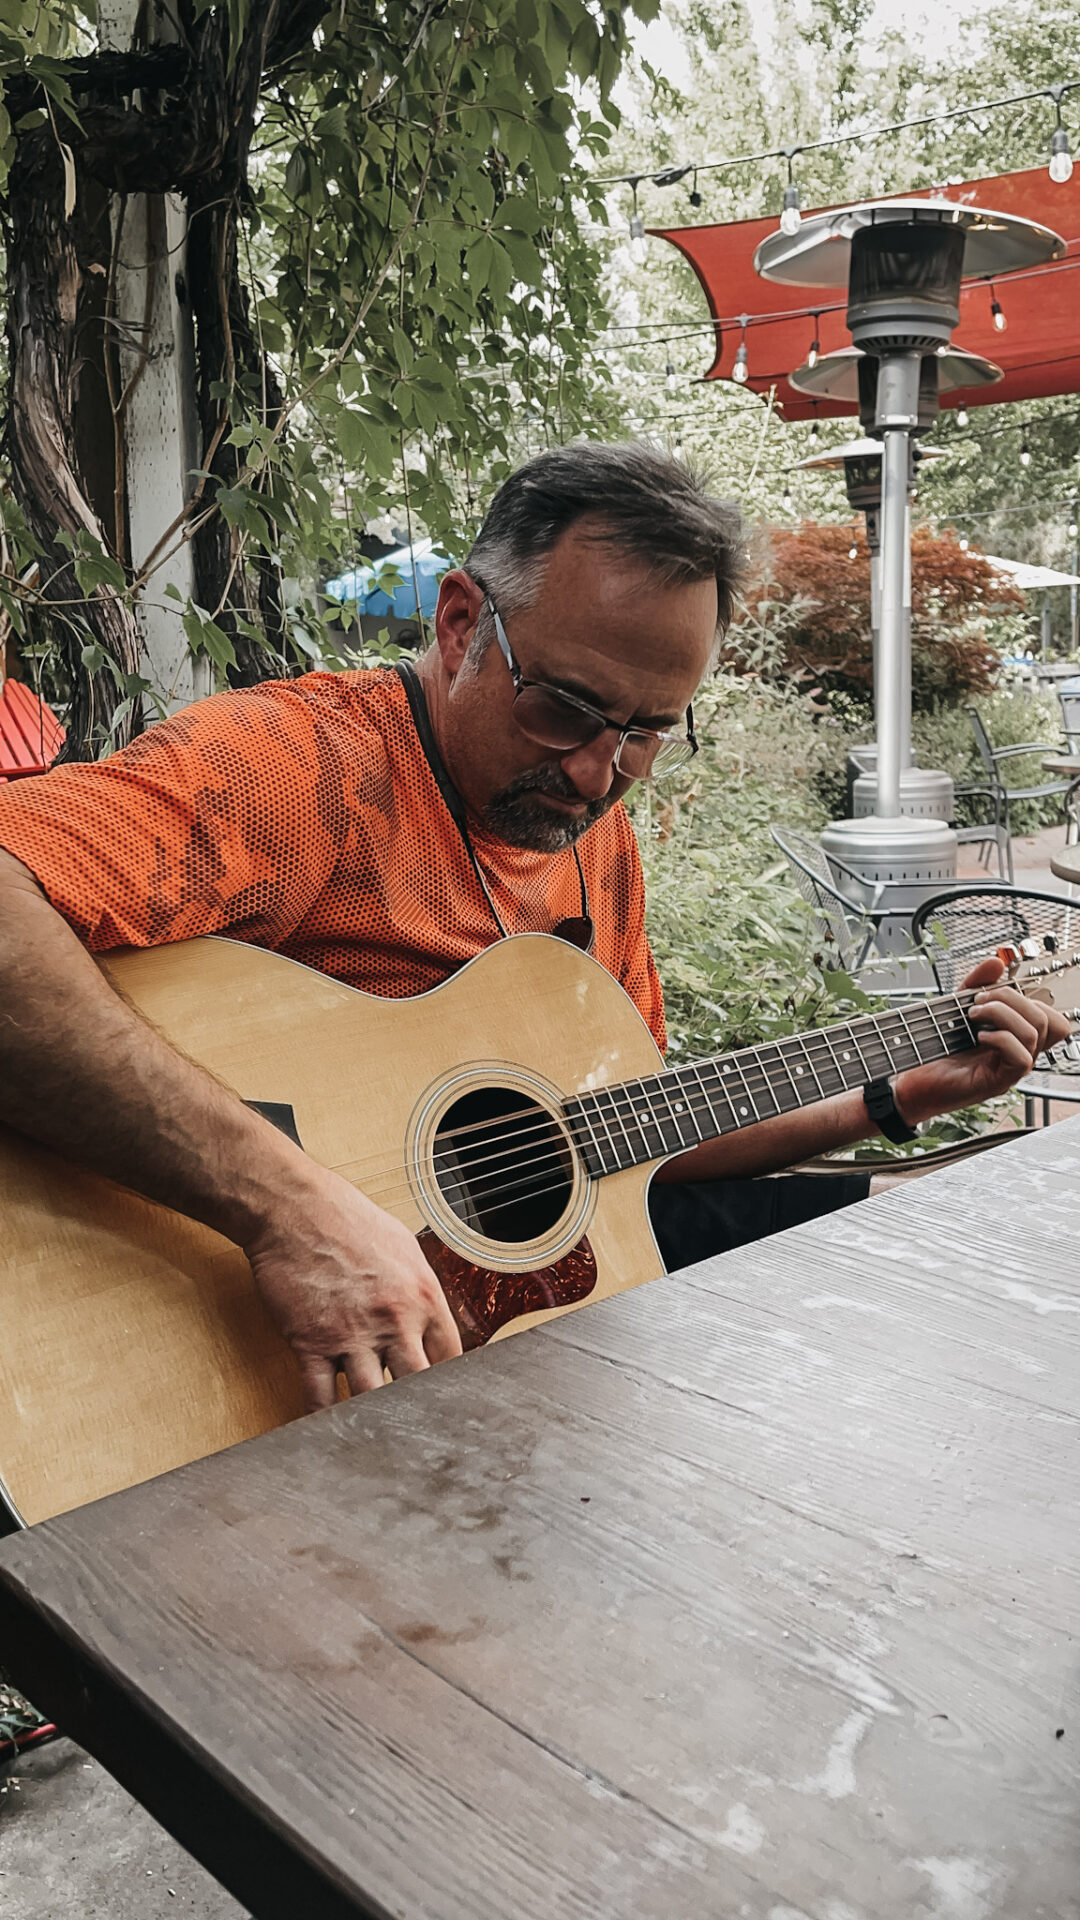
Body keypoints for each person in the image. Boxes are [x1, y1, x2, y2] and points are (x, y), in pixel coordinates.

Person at [0, 445, 1065, 1410]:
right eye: (563, 705)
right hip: (202, 1364)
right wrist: (286, 1206)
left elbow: (611, 1142)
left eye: (647, 732)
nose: (598, 773)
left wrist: (889, 1095)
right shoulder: (290, 769)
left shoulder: (594, 842)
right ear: (461, 623)